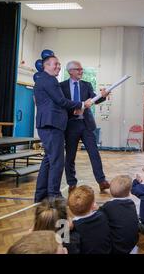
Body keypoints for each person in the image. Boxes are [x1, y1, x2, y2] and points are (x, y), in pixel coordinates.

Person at [33, 55, 92, 202]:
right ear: (46, 65)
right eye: (55, 64)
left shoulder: (42, 79)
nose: (58, 67)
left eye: (59, 65)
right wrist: (81, 105)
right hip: (52, 125)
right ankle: (54, 195)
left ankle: (40, 195)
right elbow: (60, 101)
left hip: (49, 124)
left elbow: (56, 103)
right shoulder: (49, 79)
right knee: (57, 161)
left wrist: (74, 109)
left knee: (49, 160)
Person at [60, 61, 110, 194]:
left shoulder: (86, 85)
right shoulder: (62, 86)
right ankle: (71, 182)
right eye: (78, 69)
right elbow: (61, 104)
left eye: (82, 69)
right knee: (70, 156)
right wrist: (74, 110)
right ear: (70, 71)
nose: (81, 71)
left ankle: (101, 181)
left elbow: (94, 99)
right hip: (71, 125)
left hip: (86, 124)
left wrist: (103, 96)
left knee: (94, 153)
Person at [99, 175, 140, 254]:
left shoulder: (108, 206)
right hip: (133, 242)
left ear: (110, 191)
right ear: (129, 192)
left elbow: (99, 218)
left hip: (116, 246)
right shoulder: (131, 203)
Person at [68, 185, 112, 254]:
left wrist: (65, 227)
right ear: (93, 205)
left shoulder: (74, 227)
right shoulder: (102, 216)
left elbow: (63, 242)